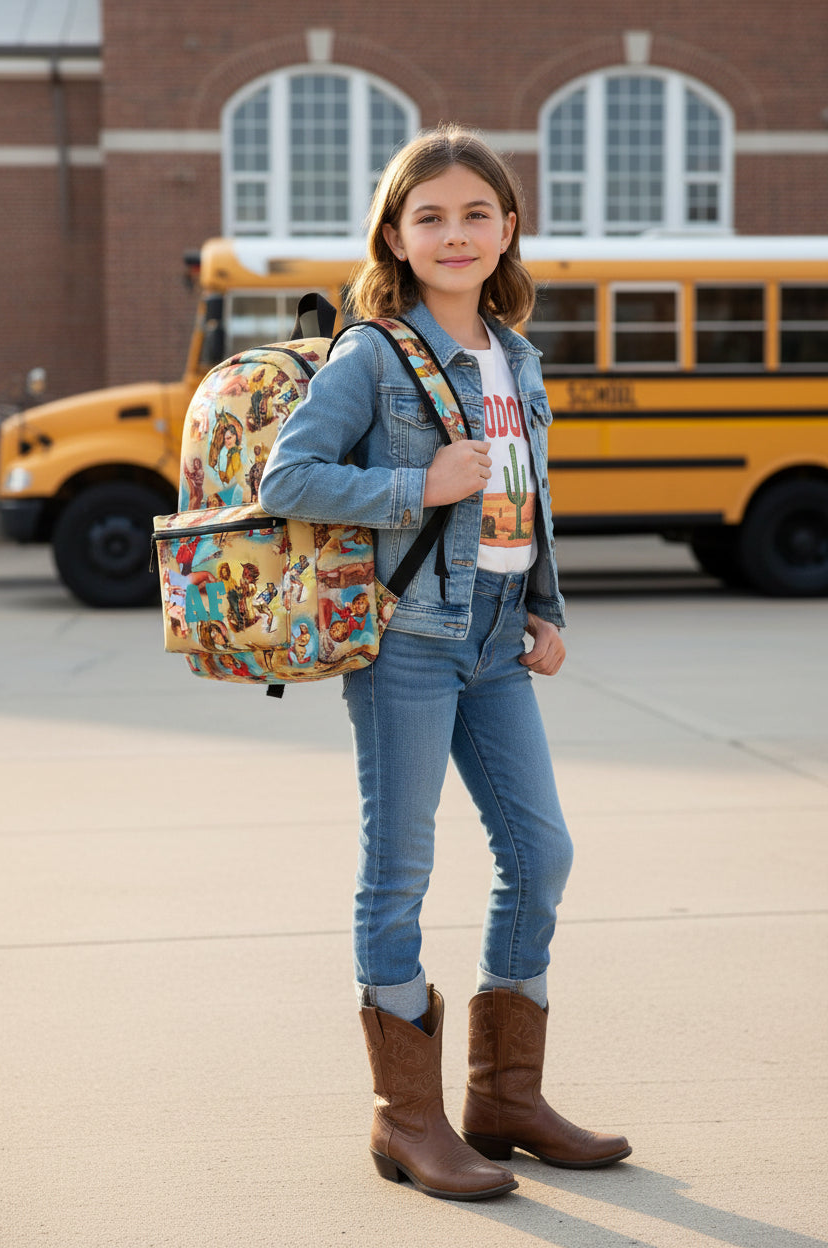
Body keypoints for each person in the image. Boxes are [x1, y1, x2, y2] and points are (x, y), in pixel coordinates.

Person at [258, 124, 631, 1202]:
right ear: (395, 233)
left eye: (476, 213)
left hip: (498, 639)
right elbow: (291, 477)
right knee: (401, 870)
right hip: (410, 642)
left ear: (509, 227)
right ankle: (405, 1118)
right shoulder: (372, 351)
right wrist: (411, 489)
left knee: (541, 854)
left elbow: (527, 499)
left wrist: (544, 607)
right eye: (430, 216)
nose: (455, 232)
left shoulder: (518, 357)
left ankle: (504, 1098)